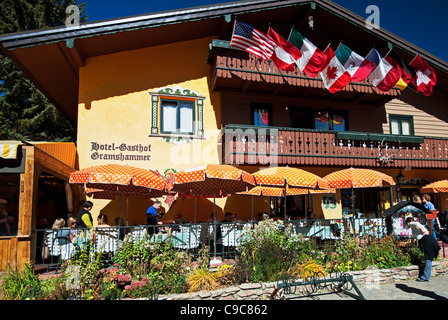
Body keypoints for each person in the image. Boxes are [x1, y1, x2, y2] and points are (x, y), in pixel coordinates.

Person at [405, 214, 440, 281]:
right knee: (428, 258)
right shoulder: (413, 227)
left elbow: (418, 224)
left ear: (408, 222)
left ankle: (426, 277)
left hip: (426, 240)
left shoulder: (412, 223)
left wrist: (424, 231)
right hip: (426, 240)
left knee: (428, 258)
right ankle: (426, 276)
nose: (407, 225)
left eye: (406, 223)